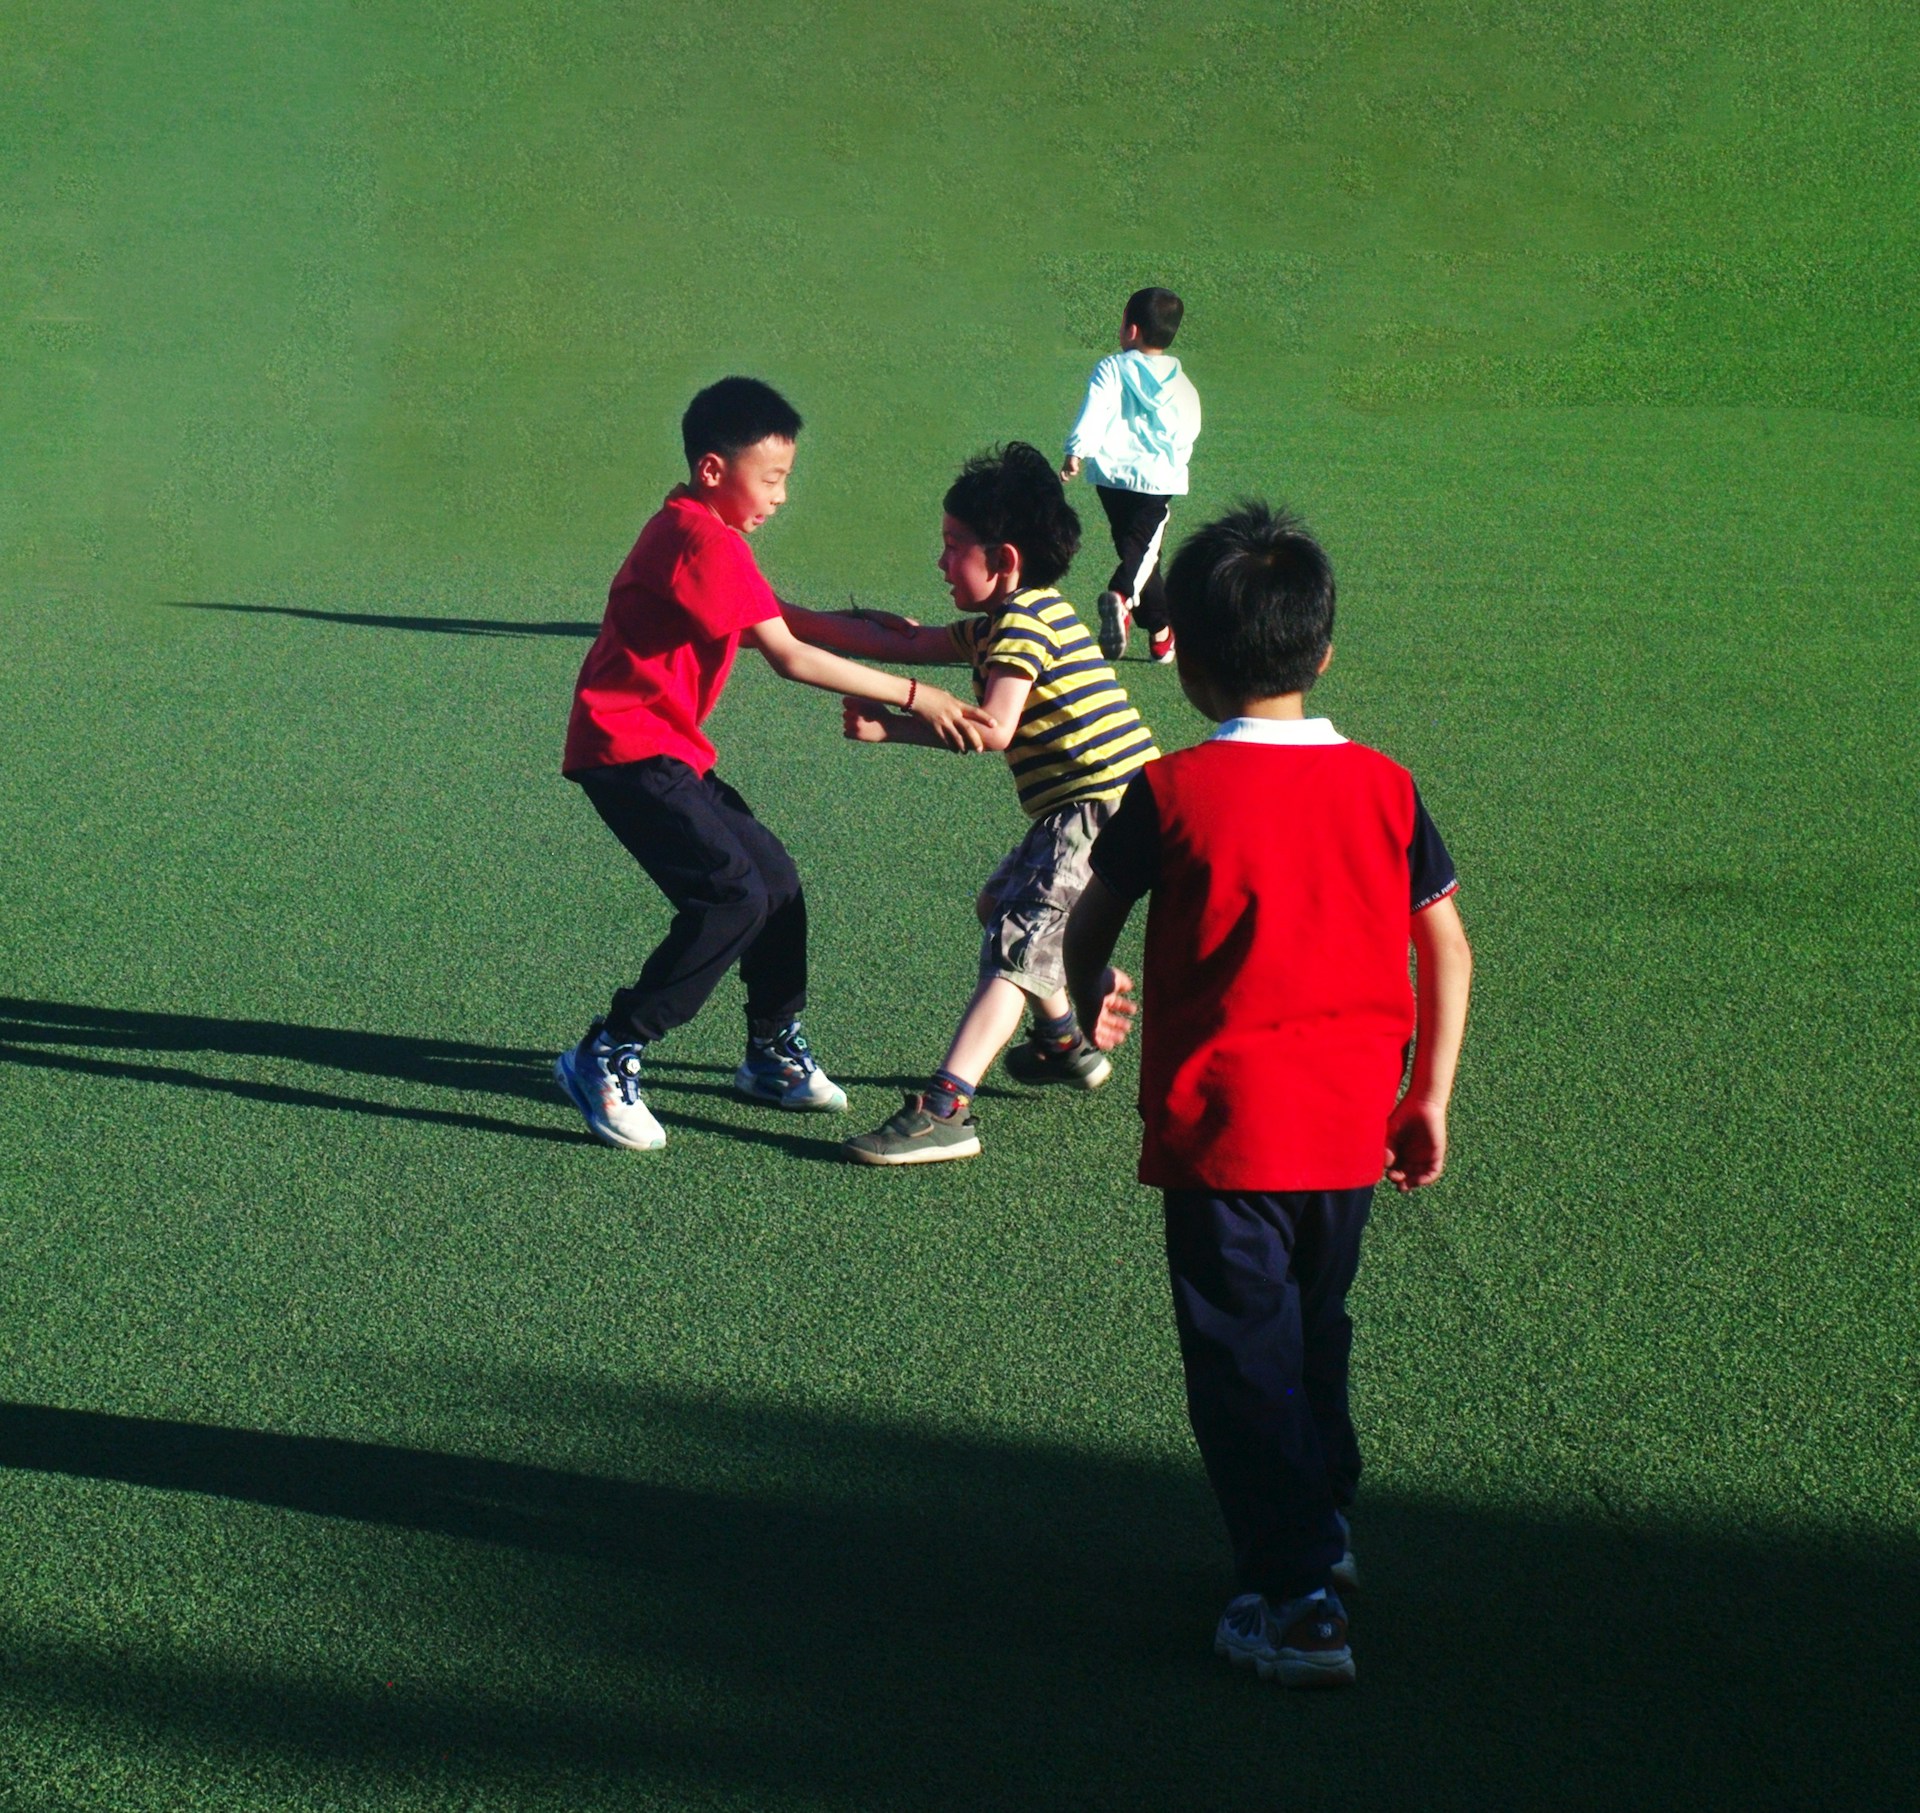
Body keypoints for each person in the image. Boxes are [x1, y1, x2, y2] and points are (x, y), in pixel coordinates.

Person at [1062, 501, 1473, 1686]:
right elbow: (1446, 945)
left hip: (1225, 1139)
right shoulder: (1386, 788)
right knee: (1310, 1331)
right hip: (1350, 1131)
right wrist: (1429, 1093)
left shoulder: (1175, 791)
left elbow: (1092, 924)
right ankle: (1320, 1530)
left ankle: (1296, 1602)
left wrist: (1086, 998)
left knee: (1241, 1363)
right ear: (1324, 649)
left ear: (1178, 645)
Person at [554, 376, 990, 1152]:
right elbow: (788, 655)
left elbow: (780, 618)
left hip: (667, 751)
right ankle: (608, 1050)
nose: (783, 496)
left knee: (776, 884)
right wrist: (915, 692)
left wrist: (869, 629)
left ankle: (768, 1051)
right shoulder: (697, 536)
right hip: (625, 750)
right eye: (774, 477)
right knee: (730, 896)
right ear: (715, 470)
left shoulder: (703, 533)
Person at [782, 442, 1159, 1164]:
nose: (941, 561)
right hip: (1091, 805)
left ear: (1006, 560)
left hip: (1100, 806)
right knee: (1000, 906)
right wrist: (778, 616)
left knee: (1018, 944)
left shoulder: (1022, 624)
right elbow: (901, 639)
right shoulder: (1005, 620)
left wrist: (896, 723)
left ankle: (947, 1107)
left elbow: (993, 728)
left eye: (955, 547)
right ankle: (1061, 1043)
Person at [1059, 286, 1202, 667]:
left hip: (1110, 480)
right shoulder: (1181, 383)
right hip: (1156, 483)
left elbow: (1095, 408)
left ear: (1131, 330)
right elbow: (1189, 428)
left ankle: (1160, 632)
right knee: (1141, 554)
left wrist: (1076, 451)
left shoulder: (1111, 367)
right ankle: (1120, 598)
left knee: (1138, 553)